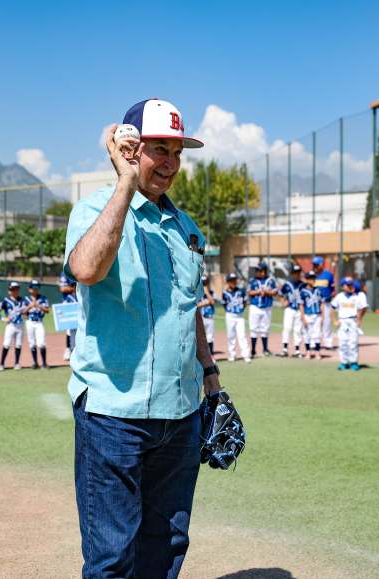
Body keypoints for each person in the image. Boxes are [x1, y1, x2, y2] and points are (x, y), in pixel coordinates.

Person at [63, 98, 220, 578]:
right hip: (115, 414)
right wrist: (125, 184)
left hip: (180, 412)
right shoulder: (94, 210)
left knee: (168, 544)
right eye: (158, 150)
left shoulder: (186, 228)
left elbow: (187, 307)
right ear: (129, 149)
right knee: (112, 555)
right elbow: (87, 269)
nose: (170, 163)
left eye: (176, 152)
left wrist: (211, 380)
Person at [332, 277, 367, 370]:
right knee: (343, 342)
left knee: (353, 342)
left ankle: (354, 362)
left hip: (353, 321)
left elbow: (362, 308)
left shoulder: (356, 297)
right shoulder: (339, 296)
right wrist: (334, 320)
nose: (351, 286)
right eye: (348, 285)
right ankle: (343, 362)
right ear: (343, 286)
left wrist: (359, 319)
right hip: (342, 321)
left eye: (351, 284)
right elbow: (332, 308)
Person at [247, 262, 277, 357]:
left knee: (265, 329)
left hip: (267, 307)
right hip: (255, 307)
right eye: (257, 270)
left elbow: (275, 292)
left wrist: (267, 292)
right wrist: (258, 292)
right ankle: (253, 350)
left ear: (264, 271)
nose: (257, 272)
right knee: (254, 328)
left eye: (259, 270)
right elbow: (249, 292)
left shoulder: (270, 280)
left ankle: (265, 349)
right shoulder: (252, 280)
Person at [222, 272, 251, 363]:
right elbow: (224, 304)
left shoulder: (241, 291)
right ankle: (232, 354)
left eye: (234, 280)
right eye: (231, 280)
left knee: (242, 335)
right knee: (231, 336)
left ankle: (246, 355)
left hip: (239, 316)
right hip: (230, 316)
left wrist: (242, 308)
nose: (233, 282)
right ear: (228, 282)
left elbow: (246, 302)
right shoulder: (225, 293)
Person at [278, 264, 304, 358]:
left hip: (299, 310)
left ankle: (297, 350)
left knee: (298, 330)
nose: (296, 275)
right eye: (295, 273)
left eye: (298, 273)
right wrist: (283, 302)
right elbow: (280, 294)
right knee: (287, 328)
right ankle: (284, 349)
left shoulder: (303, 285)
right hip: (289, 309)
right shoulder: (287, 284)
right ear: (292, 274)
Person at [23, 279, 50, 369]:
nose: (35, 290)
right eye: (33, 288)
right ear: (29, 289)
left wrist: (38, 305)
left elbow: (47, 310)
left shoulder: (43, 298)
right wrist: (30, 306)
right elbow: (23, 312)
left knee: (41, 343)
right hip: (29, 322)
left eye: (36, 288)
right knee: (32, 343)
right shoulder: (26, 299)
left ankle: (44, 363)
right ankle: (35, 363)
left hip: (39, 322)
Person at [0, 281, 25, 371]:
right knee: (6, 344)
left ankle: (17, 363)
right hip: (10, 325)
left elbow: (25, 311)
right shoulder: (5, 301)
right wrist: (3, 319)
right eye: (13, 289)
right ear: (9, 291)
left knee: (18, 344)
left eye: (16, 289)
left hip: (20, 324)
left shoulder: (22, 300)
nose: (15, 291)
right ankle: (1, 364)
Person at [299, 270, 325, 360]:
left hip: (317, 315)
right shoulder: (303, 292)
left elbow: (322, 303)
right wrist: (303, 318)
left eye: (313, 278)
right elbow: (301, 305)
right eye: (310, 278)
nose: (312, 280)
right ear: (306, 280)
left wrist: (323, 316)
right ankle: (308, 352)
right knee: (307, 334)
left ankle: (317, 352)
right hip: (307, 315)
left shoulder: (318, 290)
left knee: (317, 334)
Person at [312, 256, 335, 348]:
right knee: (315, 323)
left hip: (326, 303)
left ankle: (328, 343)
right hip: (315, 303)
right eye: (314, 265)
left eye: (316, 265)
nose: (315, 266)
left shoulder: (328, 275)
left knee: (327, 323)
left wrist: (331, 295)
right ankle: (314, 343)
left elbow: (333, 288)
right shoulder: (312, 275)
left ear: (321, 265)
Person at [59, 273, 78, 361]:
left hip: (80, 300)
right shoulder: (65, 271)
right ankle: (68, 349)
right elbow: (62, 288)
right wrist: (74, 288)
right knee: (69, 329)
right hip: (69, 304)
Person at [198, 274, 216, 355]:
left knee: (210, 336)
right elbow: (195, 305)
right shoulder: (196, 293)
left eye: (205, 283)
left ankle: (211, 354)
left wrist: (207, 292)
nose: (204, 285)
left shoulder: (211, 292)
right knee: (199, 337)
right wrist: (204, 303)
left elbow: (212, 302)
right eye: (202, 283)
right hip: (199, 318)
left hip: (209, 317)